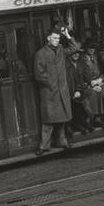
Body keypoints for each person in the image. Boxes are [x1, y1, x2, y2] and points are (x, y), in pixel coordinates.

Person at [32, 25, 80, 154]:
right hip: (49, 92)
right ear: (48, 38)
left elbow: (76, 48)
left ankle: (62, 142)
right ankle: (43, 146)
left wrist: (68, 36)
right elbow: (39, 74)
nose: (57, 40)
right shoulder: (40, 53)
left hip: (61, 91)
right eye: (54, 38)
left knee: (62, 120)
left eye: (58, 38)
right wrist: (51, 83)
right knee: (49, 121)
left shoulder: (61, 50)